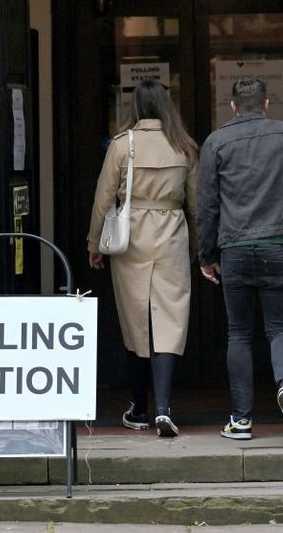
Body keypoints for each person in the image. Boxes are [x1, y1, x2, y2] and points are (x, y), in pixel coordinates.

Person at [196, 76, 283, 443]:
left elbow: (206, 206)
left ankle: (240, 420)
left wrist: (207, 256)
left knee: (239, 333)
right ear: (267, 104)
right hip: (278, 246)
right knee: (280, 328)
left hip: (234, 248)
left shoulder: (216, 141)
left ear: (233, 107)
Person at [87, 80, 199, 438]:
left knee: (136, 320)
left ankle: (139, 408)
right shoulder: (184, 147)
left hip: (131, 236)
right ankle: (164, 407)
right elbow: (196, 204)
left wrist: (94, 243)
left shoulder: (123, 145)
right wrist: (197, 244)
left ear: (135, 107)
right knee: (170, 319)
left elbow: (103, 199)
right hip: (171, 233)